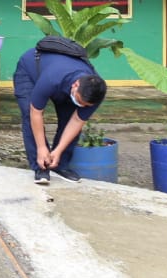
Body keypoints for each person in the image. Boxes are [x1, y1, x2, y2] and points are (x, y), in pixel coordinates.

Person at [12, 43, 108, 185]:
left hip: (61, 80)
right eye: (80, 101)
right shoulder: (52, 78)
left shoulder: (95, 93)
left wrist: (58, 150)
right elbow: (36, 112)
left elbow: (76, 121)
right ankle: (41, 166)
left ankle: (59, 164)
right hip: (30, 71)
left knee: (69, 117)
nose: (81, 106)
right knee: (28, 113)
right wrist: (41, 147)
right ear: (75, 85)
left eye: (85, 106)